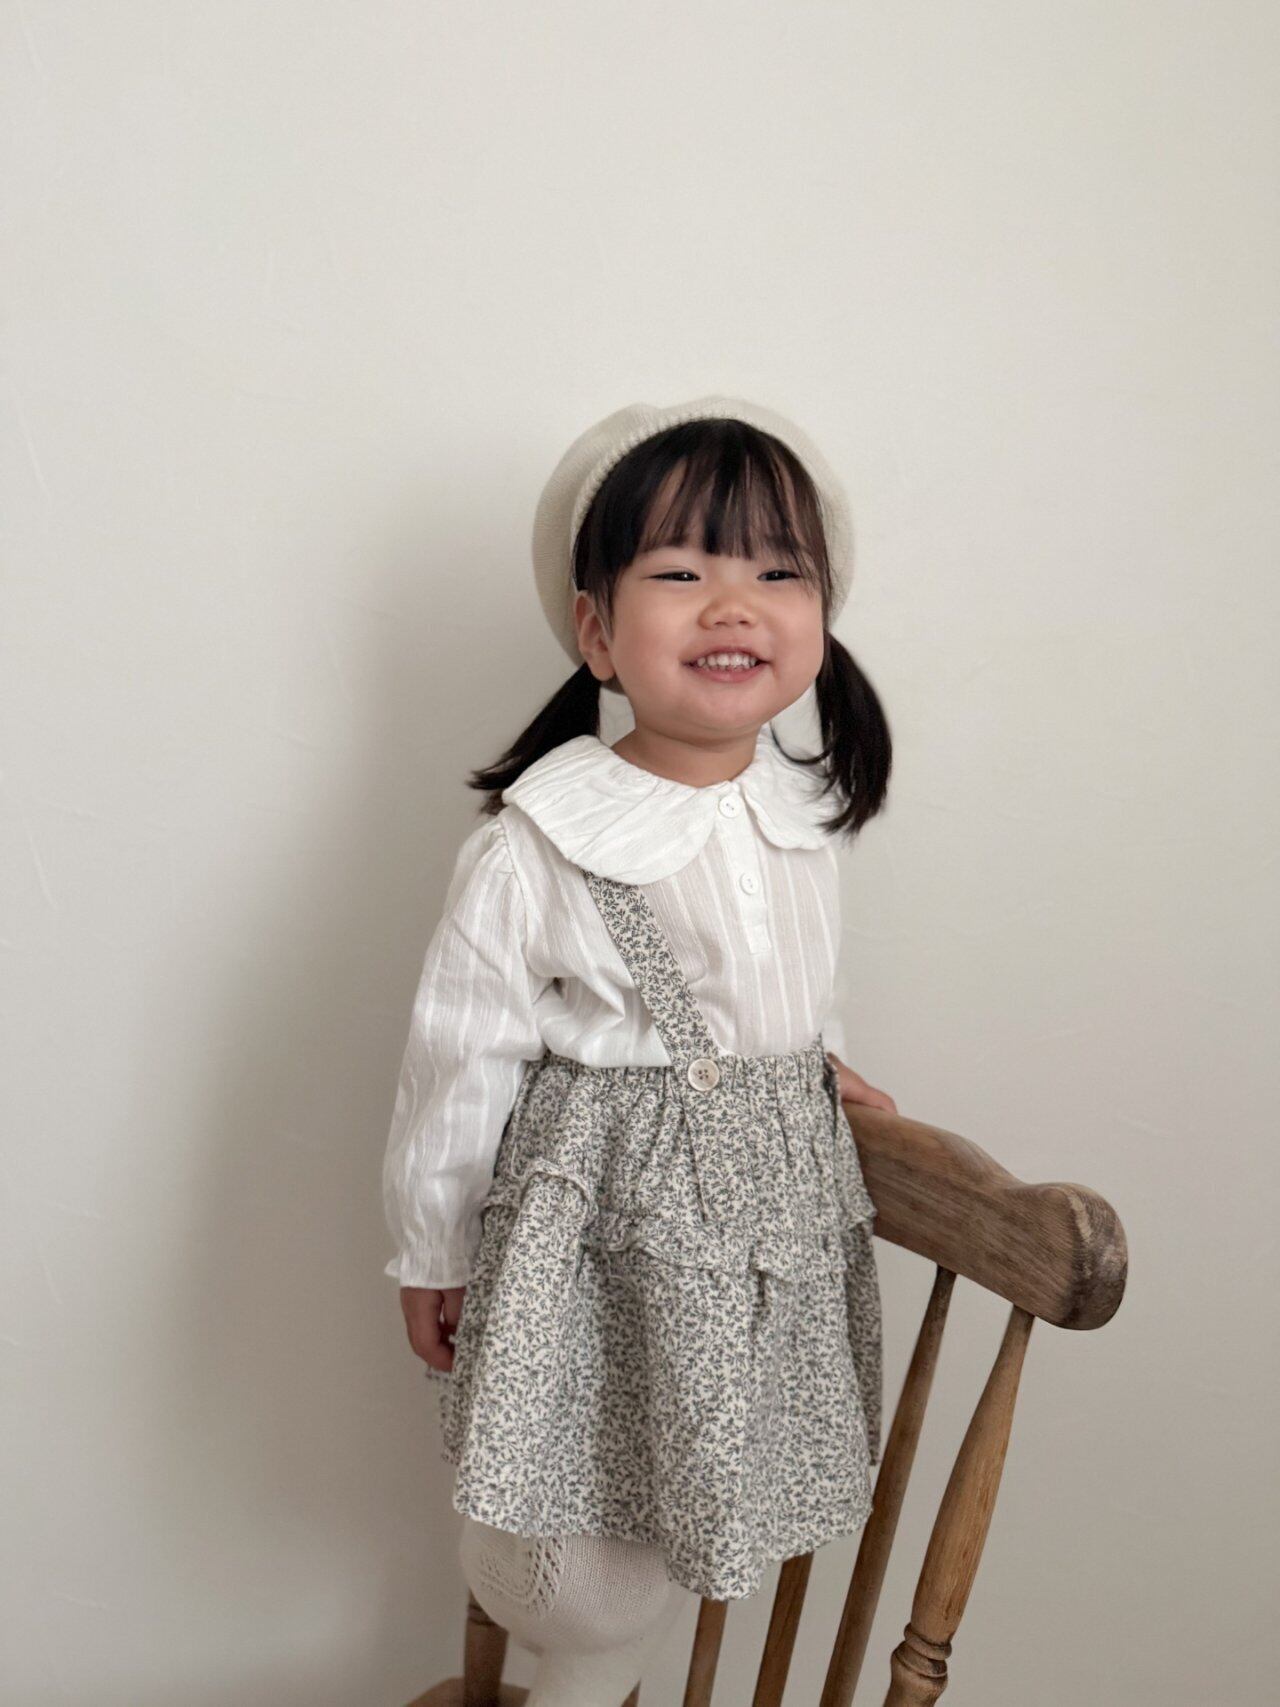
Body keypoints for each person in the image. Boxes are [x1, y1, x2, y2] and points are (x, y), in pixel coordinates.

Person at [382, 395, 897, 1705]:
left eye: (778, 573)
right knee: (583, 1522)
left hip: (762, 1224)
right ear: (598, 632)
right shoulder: (542, 842)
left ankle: (604, 1654)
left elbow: (795, 980)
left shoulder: (802, 815)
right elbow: (460, 1055)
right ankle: (577, 1639)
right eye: (680, 572)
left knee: (702, 1486)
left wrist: (813, 1064)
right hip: (610, 1225)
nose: (734, 604)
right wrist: (433, 1243)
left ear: (821, 620)